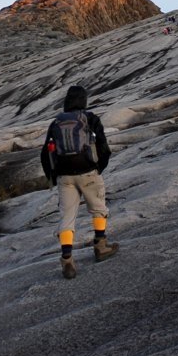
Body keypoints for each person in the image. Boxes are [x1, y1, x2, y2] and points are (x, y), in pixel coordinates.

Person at [40, 85, 118, 279]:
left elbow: (45, 153)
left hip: (64, 176)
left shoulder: (56, 122)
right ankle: (101, 247)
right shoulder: (90, 118)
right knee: (98, 208)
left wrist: (53, 176)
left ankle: (67, 260)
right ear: (83, 100)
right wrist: (98, 167)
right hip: (88, 172)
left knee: (67, 218)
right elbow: (103, 146)